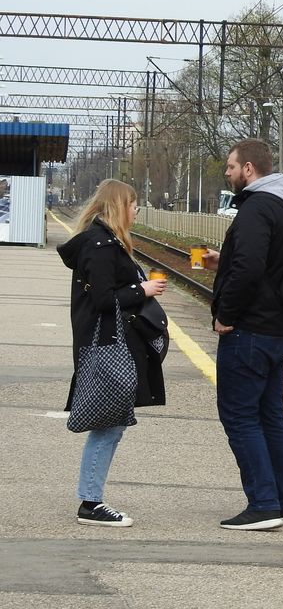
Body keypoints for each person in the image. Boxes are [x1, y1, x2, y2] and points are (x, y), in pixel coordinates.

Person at [202, 139, 283, 531]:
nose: (227, 173)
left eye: (230, 167)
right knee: (271, 416)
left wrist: (225, 315)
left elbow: (249, 269)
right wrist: (222, 260)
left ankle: (263, 504)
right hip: (278, 329)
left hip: (249, 331)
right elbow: (269, 264)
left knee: (240, 416)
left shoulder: (255, 209)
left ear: (248, 170)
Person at [57, 179, 167, 527]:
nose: (136, 210)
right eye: (133, 204)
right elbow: (104, 299)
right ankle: (91, 503)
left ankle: (91, 499)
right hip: (106, 343)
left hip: (107, 341)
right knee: (109, 423)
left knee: (113, 422)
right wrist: (142, 288)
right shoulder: (101, 246)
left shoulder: (103, 241)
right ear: (119, 205)